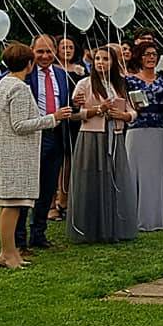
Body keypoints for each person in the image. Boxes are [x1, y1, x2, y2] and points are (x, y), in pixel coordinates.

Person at [0, 43, 71, 268]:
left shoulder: (4, 83)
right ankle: (8, 253)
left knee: (9, 206)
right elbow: (20, 124)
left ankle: (9, 253)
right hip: (16, 156)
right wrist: (53, 117)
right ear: (29, 64)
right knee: (12, 206)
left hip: (8, 153)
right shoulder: (19, 87)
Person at [68, 45, 138, 243]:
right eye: (98, 59)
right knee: (90, 179)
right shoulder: (84, 84)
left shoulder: (120, 84)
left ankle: (114, 225)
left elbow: (133, 111)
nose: (101, 63)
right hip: (91, 137)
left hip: (114, 137)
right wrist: (98, 110)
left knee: (113, 179)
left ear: (113, 62)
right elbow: (74, 114)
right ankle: (90, 227)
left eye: (105, 59)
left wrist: (123, 116)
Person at [125, 43, 163, 232]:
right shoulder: (129, 81)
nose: (151, 58)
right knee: (136, 172)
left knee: (158, 173)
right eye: (147, 54)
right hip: (137, 129)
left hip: (161, 130)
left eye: (154, 55)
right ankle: (137, 217)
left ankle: (162, 216)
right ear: (140, 57)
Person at [49, 36, 88, 222]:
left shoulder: (80, 71)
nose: (67, 49)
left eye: (71, 46)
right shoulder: (51, 70)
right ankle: (52, 202)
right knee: (55, 160)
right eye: (63, 46)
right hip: (56, 119)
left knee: (71, 159)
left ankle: (65, 200)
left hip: (74, 120)